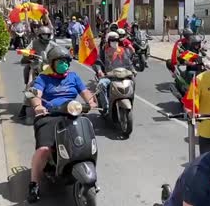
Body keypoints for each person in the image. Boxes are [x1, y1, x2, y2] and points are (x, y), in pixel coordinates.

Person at [27, 46, 97, 203]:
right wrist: (38, 106)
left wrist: (91, 102)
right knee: (44, 149)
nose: (64, 64)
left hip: (72, 113)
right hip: (49, 116)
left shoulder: (73, 77)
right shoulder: (43, 78)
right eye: (60, 61)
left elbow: (85, 93)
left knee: (85, 140)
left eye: (66, 61)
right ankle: (34, 183)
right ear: (51, 63)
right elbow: (35, 94)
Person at [18, 26, 58, 118]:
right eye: (44, 35)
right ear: (39, 35)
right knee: (30, 85)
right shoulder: (34, 43)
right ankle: (24, 107)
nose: (46, 37)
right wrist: (28, 54)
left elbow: (59, 51)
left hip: (50, 68)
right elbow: (27, 50)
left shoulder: (53, 44)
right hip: (36, 67)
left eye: (47, 35)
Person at [93, 32, 136, 111]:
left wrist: (133, 70)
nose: (114, 42)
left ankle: (131, 99)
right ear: (108, 41)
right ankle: (105, 107)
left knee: (133, 81)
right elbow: (98, 62)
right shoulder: (104, 51)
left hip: (123, 75)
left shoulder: (123, 50)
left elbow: (129, 62)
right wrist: (99, 71)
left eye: (116, 40)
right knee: (101, 85)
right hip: (109, 76)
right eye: (112, 40)